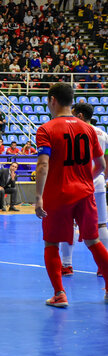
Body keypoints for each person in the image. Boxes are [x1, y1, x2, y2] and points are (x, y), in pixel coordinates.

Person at [34, 83, 108, 307]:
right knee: (94, 241)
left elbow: (43, 165)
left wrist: (38, 197)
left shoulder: (46, 129)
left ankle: (59, 294)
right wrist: (86, 179)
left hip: (57, 195)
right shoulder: (89, 129)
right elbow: (101, 165)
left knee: (51, 244)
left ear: (52, 100)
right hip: (85, 193)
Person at [59, 102, 108, 277]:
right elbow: (106, 161)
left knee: (69, 222)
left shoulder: (73, 130)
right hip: (98, 181)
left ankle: (66, 264)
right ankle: (103, 266)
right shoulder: (103, 133)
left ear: (79, 115)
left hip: (76, 181)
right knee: (101, 224)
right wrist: (103, 178)